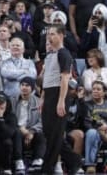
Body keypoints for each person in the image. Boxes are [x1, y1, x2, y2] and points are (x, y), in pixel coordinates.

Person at [41, 24, 81, 174]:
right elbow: (46, 80)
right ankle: (74, 160)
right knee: (48, 132)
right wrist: (43, 98)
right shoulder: (50, 55)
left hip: (59, 94)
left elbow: (65, 78)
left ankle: (47, 167)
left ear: (61, 35)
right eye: (48, 34)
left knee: (56, 133)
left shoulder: (64, 53)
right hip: (49, 93)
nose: (49, 37)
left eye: (52, 34)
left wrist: (61, 101)